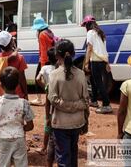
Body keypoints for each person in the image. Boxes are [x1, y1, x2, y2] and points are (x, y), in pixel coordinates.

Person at [48, 39, 89, 167]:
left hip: (60, 124)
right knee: (73, 153)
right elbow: (86, 100)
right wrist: (77, 107)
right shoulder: (81, 74)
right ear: (73, 53)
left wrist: (67, 106)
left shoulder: (54, 75)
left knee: (63, 157)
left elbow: (53, 99)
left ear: (56, 55)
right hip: (77, 122)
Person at [0, 67, 34, 167]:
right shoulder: (24, 103)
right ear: (18, 85)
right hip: (19, 139)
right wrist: (20, 128)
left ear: (1, 84)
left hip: (3, 139)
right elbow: (30, 126)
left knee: (3, 164)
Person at [81, 15, 113, 114]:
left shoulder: (90, 33)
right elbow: (104, 48)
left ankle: (107, 105)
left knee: (98, 83)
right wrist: (107, 62)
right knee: (94, 80)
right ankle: (94, 100)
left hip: (95, 60)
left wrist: (86, 63)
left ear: (87, 24)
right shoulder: (100, 33)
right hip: (102, 60)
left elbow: (89, 48)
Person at [35, 47, 57, 157]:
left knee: (48, 120)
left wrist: (45, 87)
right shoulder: (60, 68)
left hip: (49, 95)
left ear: (48, 57)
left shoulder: (45, 68)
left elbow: (38, 79)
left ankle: (44, 146)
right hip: (59, 95)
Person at [0, 31, 28, 99]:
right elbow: (22, 78)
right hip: (18, 95)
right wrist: (25, 93)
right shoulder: (19, 57)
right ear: (11, 42)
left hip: (2, 94)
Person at [32, 17, 56, 105]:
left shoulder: (42, 34)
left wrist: (42, 66)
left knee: (37, 79)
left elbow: (43, 51)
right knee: (50, 80)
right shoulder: (49, 32)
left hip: (44, 60)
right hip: (51, 58)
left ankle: (39, 99)